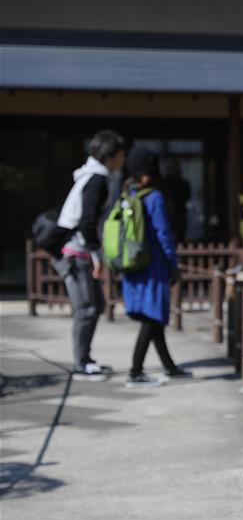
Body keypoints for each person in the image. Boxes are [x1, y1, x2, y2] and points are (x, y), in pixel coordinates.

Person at [55, 130, 126, 381]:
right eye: (120, 154)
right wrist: (97, 255)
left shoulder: (90, 175)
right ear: (109, 156)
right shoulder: (96, 179)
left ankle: (85, 359)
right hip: (76, 252)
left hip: (78, 249)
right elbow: (86, 222)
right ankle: (80, 362)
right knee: (86, 308)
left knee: (94, 305)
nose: (123, 159)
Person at [120, 147, 189, 387]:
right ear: (149, 173)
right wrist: (173, 266)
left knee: (154, 319)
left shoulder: (127, 193)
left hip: (133, 265)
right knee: (152, 318)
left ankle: (170, 367)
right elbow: (163, 235)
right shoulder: (154, 197)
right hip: (153, 266)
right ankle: (135, 372)